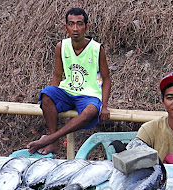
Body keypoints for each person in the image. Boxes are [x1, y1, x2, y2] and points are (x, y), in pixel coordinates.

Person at [27, 8, 111, 155]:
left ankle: (51, 138)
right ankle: (54, 143)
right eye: (71, 24)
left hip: (89, 95)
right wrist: (50, 99)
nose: (75, 28)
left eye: (79, 24)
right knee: (46, 94)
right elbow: (57, 75)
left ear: (87, 27)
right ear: (65, 27)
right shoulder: (61, 46)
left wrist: (104, 106)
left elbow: (107, 79)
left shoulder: (97, 49)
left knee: (91, 110)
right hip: (67, 92)